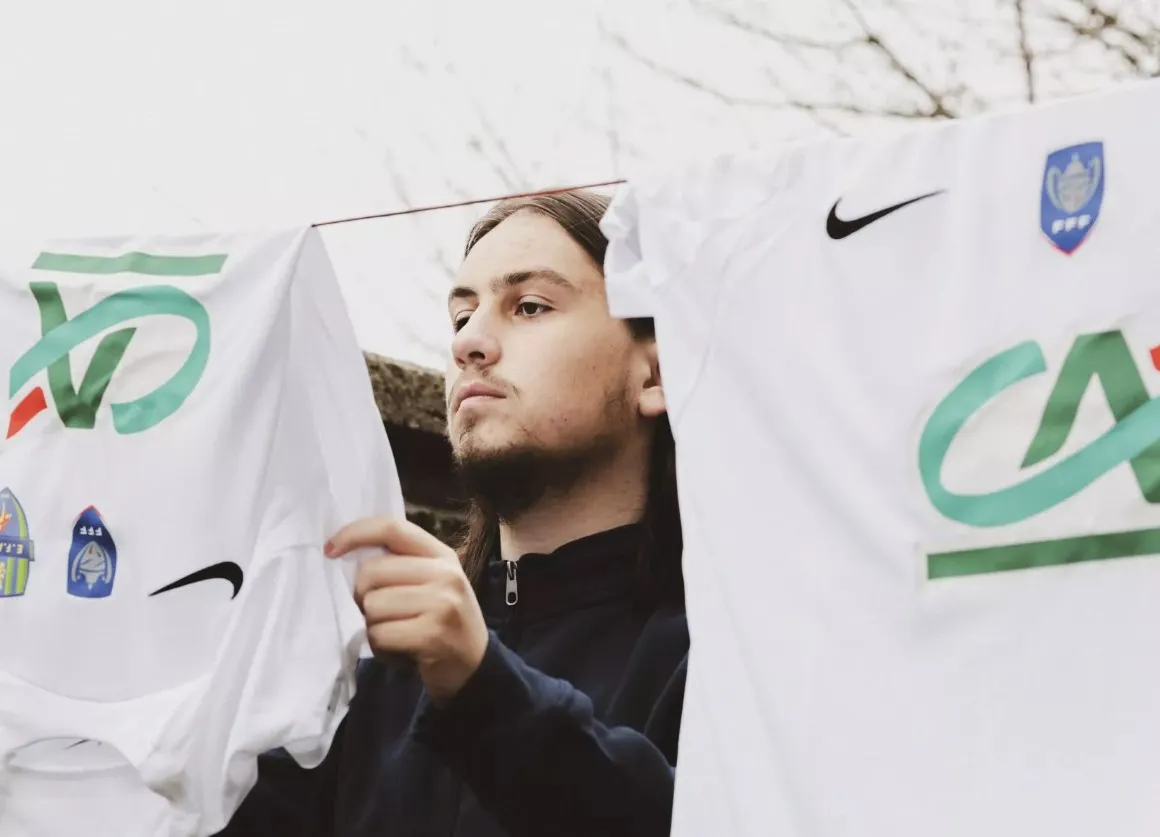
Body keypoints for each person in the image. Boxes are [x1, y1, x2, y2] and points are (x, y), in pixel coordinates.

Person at [218, 188, 688, 837]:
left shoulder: (724, 652)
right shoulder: (368, 672)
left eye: (529, 306)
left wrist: (483, 688)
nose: (470, 341)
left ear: (656, 375)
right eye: (462, 315)